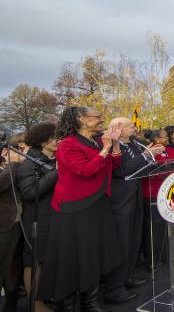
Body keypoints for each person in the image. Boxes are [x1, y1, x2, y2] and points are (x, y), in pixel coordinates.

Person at [38, 107, 122, 311]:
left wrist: (115, 144)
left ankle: (90, 301)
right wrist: (105, 148)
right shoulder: (68, 144)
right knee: (74, 256)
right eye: (97, 117)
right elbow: (85, 170)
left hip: (97, 203)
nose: (102, 119)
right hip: (75, 207)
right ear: (82, 119)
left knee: (93, 254)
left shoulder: (95, 141)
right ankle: (68, 302)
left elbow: (113, 165)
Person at [104, 118, 155, 304]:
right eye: (130, 126)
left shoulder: (133, 144)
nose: (135, 128)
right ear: (118, 128)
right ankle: (114, 288)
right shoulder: (111, 146)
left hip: (136, 197)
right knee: (122, 242)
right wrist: (145, 157)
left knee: (134, 239)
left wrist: (149, 158)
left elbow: (139, 166)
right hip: (120, 201)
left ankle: (128, 276)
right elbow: (122, 170)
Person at [16, 123, 58, 312]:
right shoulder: (29, 163)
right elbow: (30, 192)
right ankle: (36, 304)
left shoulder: (51, 160)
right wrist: (57, 172)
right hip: (37, 218)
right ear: (44, 141)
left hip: (53, 215)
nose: (59, 140)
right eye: (56, 137)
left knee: (47, 258)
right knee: (34, 261)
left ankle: (47, 296)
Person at [141, 129, 174, 270]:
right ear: (157, 140)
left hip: (168, 192)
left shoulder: (170, 150)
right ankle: (153, 260)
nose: (167, 139)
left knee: (166, 228)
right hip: (152, 194)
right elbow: (153, 169)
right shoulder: (150, 152)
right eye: (165, 137)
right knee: (154, 230)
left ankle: (165, 255)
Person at [0, 148, 22, 311]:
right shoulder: (10, 167)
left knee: (11, 263)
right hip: (3, 225)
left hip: (12, 222)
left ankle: (11, 300)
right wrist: (12, 164)